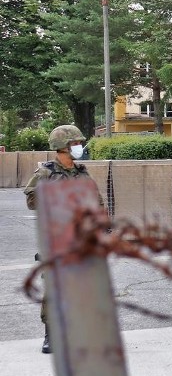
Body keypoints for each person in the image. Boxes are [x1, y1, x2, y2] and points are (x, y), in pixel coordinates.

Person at [23, 124, 102, 354]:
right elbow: (30, 200)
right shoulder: (46, 173)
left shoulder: (81, 172)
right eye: (75, 143)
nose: (79, 147)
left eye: (78, 143)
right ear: (63, 147)